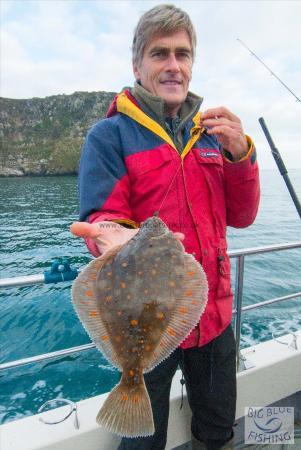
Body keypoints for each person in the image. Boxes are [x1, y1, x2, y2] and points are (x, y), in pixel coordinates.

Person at [74, 4, 260, 449]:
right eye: (160, 54)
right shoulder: (111, 135)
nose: (173, 65)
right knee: (142, 440)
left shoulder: (213, 134)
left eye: (183, 54)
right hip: (144, 319)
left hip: (214, 316)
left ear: (192, 64)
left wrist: (240, 156)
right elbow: (103, 216)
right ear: (137, 64)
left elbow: (244, 216)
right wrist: (113, 235)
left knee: (218, 428)